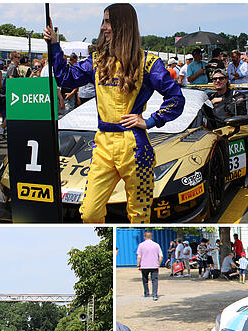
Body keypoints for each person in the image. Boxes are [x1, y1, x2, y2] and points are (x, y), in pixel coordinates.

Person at [47, 3, 185, 224]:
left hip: (136, 148)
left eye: (108, 22)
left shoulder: (149, 62)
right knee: (89, 212)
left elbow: (176, 99)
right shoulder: (98, 60)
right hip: (102, 145)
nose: (103, 27)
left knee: (139, 215)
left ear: (124, 25)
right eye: (103, 22)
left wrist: (150, 121)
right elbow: (65, 78)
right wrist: (54, 45)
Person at [137, 230, 163, 300]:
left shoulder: (141, 245)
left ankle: (146, 293)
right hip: (154, 265)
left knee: (145, 280)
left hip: (144, 266)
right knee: (154, 280)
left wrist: (138, 265)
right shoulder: (156, 245)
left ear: (144, 237)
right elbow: (161, 256)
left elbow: (139, 256)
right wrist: (158, 264)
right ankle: (155, 295)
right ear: (152, 237)